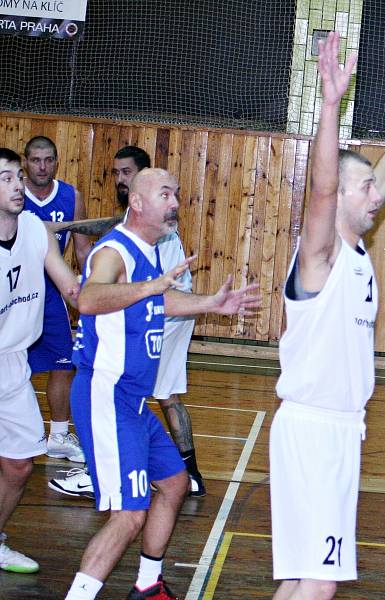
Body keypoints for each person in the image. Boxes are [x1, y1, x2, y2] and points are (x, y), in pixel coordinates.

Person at [63, 168, 259, 600]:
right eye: (165, 194)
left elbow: (157, 299)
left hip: (134, 402)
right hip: (106, 394)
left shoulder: (150, 251)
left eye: (176, 194)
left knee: (174, 483)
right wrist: (151, 285)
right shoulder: (114, 250)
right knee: (129, 516)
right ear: (136, 203)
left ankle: (148, 586)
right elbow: (90, 298)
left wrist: (210, 304)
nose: (174, 202)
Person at [269, 32, 385, 599]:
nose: (376, 194)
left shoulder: (356, 255)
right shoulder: (320, 257)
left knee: (304, 581)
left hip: (337, 432)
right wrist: (329, 106)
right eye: (366, 185)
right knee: (321, 585)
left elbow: (370, 186)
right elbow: (326, 193)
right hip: (312, 431)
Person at [50, 145, 207, 500]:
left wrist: (62, 225)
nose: (118, 179)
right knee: (158, 394)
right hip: (164, 309)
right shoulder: (137, 222)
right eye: (116, 172)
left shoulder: (149, 220)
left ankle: (102, 470)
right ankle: (186, 473)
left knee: (122, 385)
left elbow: (108, 234)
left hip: (166, 312)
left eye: (126, 173)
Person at [0, 147, 80, 573]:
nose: (17, 186)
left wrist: (144, 291)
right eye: (5, 178)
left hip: (11, 364)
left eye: (17, 177)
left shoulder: (33, 228)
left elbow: (74, 289)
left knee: (18, 465)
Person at [23, 135, 91, 463]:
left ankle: (60, 436)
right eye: (36, 160)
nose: (42, 166)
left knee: (64, 363)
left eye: (48, 160)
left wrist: (92, 292)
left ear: (56, 162)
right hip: (14, 292)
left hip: (51, 294)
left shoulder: (70, 196)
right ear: (25, 162)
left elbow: (81, 249)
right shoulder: (10, 194)